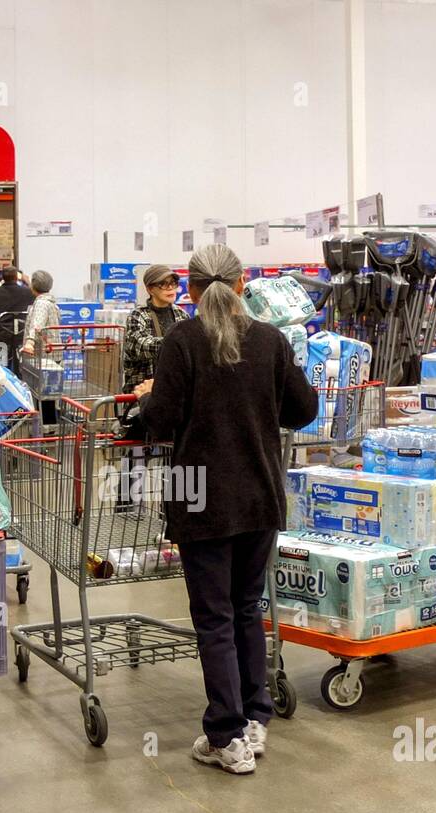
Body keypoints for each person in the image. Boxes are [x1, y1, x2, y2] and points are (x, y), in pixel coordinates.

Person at [137, 245, 318, 775]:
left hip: (199, 493)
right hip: (260, 491)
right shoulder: (270, 340)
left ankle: (225, 735)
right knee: (245, 609)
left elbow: (162, 419)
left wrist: (147, 399)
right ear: (243, 285)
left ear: (191, 291)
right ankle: (253, 718)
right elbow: (303, 410)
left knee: (213, 616)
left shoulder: (182, 341)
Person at [123, 264, 189, 391]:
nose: (170, 288)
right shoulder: (138, 315)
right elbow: (141, 346)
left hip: (173, 391)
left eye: (173, 283)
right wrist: (177, 344)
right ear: (150, 289)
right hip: (142, 394)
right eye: (163, 284)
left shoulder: (181, 314)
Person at [0, 266, 33, 372]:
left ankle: (3, 387)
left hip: (0, 337)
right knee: (22, 370)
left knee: (1, 368)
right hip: (20, 338)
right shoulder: (28, 293)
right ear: (17, 277)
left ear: (2, 277)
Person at [19, 270, 60, 360]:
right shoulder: (52, 303)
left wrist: (29, 343)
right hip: (53, 352)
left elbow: (37, 324)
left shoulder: (41, 303)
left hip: (43, 356)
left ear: (33, 286)